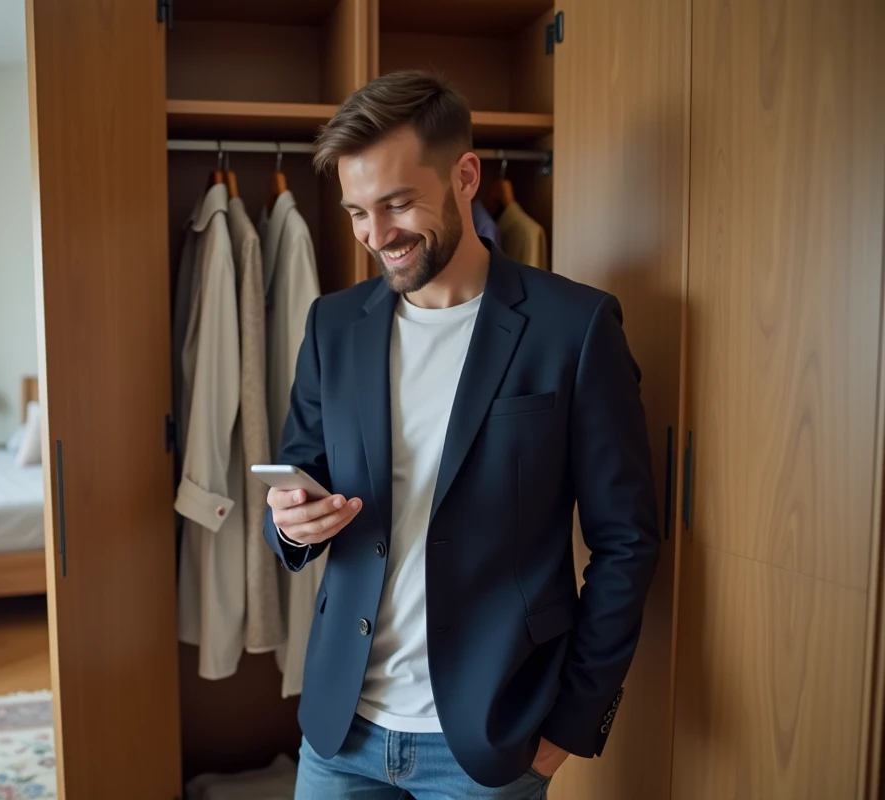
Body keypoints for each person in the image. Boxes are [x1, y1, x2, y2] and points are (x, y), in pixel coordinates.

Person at [263, 70, 661, 799]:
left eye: (397, 203)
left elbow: (626, 541)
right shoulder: (332, 327)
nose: (376, 236)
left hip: (490, 739)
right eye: (356, 212)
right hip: (340, 731)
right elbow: (300, 470)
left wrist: (573, 723)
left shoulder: (575, 328)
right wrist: (290, 524)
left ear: (466, 177)